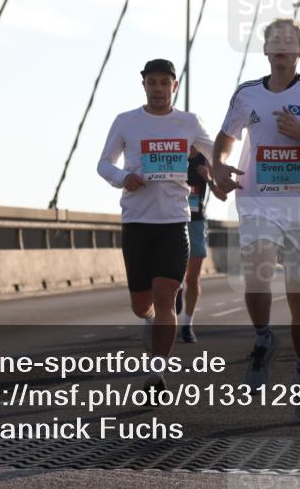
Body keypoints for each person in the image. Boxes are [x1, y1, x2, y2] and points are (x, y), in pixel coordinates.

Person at [212, 17, 300, 424]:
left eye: (289, 42)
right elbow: (225, 138)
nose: (281, 47)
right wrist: (219, 165)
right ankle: (262, 340)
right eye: (274, 41)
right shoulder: (247, 94)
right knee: (256, 274)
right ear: (266, 50)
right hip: (256, 202)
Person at [97, 59, 213, 396]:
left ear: (174, 86)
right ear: (144, 85)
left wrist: (227, 170)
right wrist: (122, 178)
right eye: (153, 82)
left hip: (175, 222)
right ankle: (146, 316)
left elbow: (212, 152)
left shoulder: (188, 122)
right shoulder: (127, 122)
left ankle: (157, 372)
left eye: (165, 82)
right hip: (136, 222)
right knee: (141, 304)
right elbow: (104, 163)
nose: (159, 88)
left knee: (166, 296)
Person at [176, 145, 228, 343]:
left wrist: (209, 179)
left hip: (196, 221)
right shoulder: (174, 155)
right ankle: (177, 288)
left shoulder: (205, 160)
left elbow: (222, 196)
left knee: (193, 277)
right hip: (174, 219)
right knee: (174, 274)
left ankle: (187, 325)